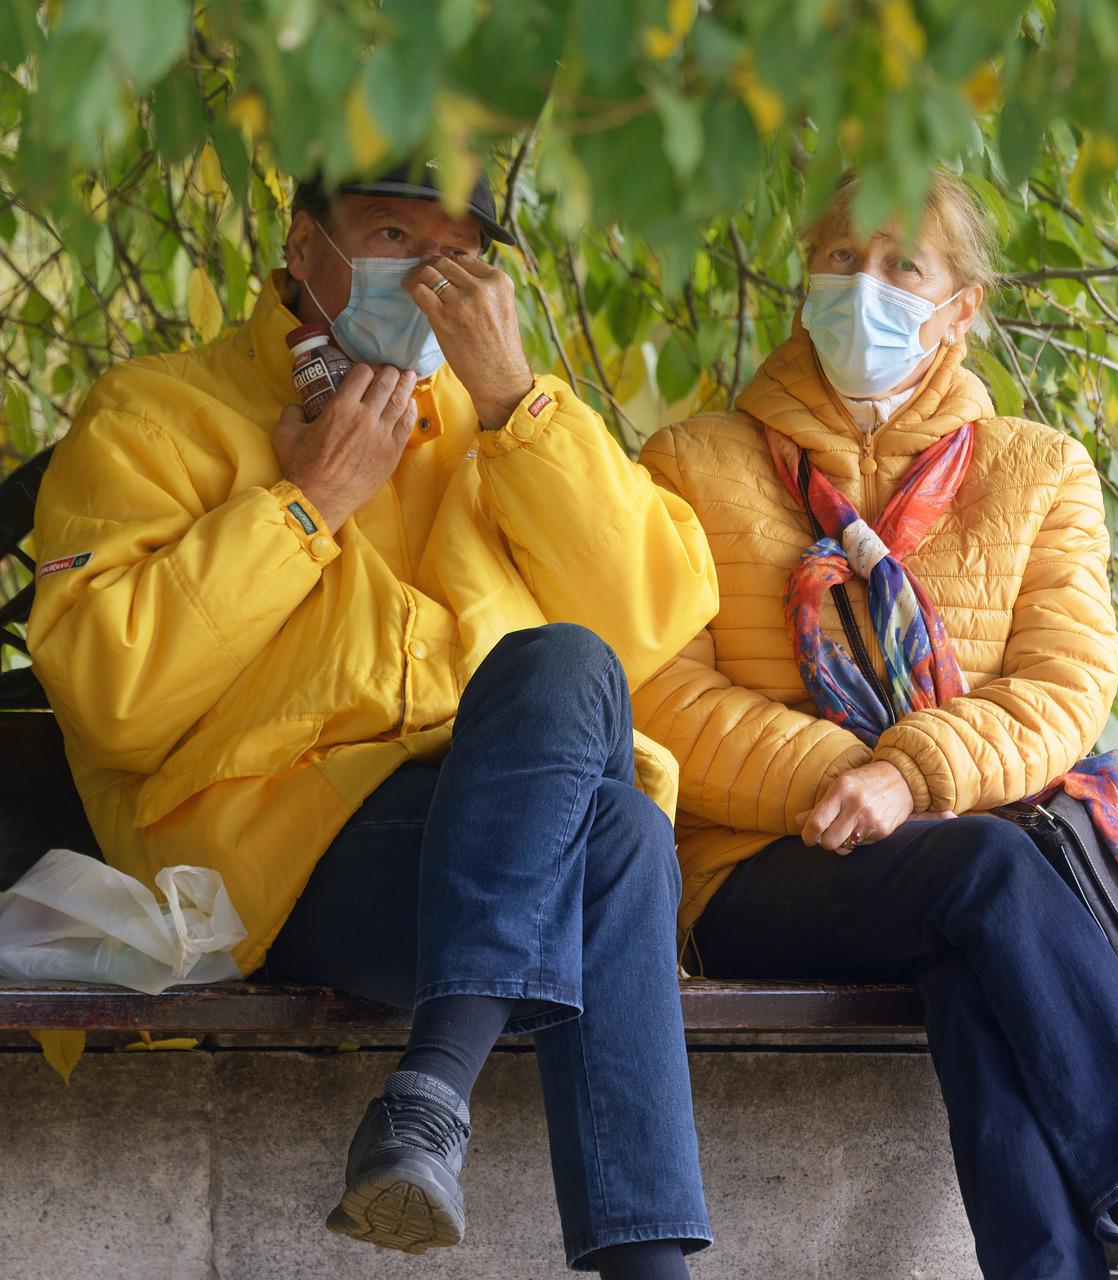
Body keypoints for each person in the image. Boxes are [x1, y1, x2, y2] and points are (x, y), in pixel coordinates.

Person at [27, 162, 718, 1279]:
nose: (425, 273)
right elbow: (112, 698)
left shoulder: (500, 419)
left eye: (453, 251)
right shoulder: (155, 412)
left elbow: (652, 616)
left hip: (488, 833)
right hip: (270, 858)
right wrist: (305, 507)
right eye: (392, 233)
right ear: (304, 247)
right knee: (616, 838)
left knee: (580, 696)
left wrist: (515, 407)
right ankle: (462, 1118)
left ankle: (429, 1101)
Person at [632, 170, 1118, 1280]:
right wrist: (849, 776)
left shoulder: (1039, 472)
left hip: (968, 879)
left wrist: (915, 777)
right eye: (838, 260)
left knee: (975, 946)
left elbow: (1065, 690)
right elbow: (657, 691)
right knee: (983, 864)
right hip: (759, 871)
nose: (860, 287)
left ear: (959, 307)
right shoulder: (691, 464)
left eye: (898, 267)